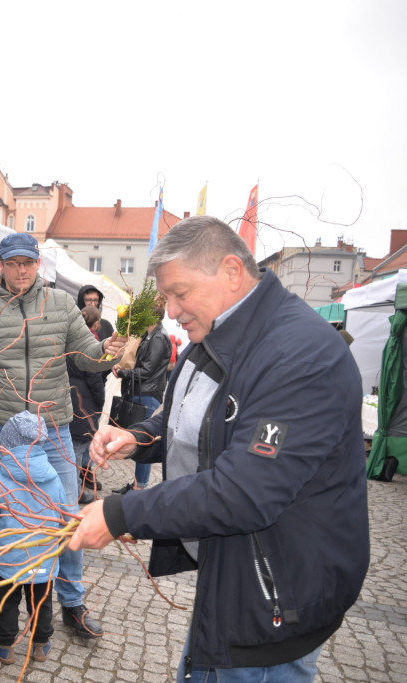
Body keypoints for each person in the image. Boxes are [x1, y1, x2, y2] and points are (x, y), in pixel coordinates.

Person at [67, 216, 369, 681]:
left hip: (273, 598)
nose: (170, 311)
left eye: (179, 293)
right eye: (166, 296)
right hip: (231, 574)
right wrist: (139, 438)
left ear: (231, 271)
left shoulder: (302, 355)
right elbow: (186, 421)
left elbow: (247, 490)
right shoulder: (208, 341)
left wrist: (120, 513)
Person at [0, 232, 125, 638]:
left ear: (38, 265)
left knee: (66, 514)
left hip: (51, 430)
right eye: (13, 263)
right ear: (0, 266)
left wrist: (108, 348)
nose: (21, 270)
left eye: (28, 262)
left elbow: (89, 359)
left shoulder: (61, 305)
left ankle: (71, 603)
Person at [0, 411, 66, 666]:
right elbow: (63, 514)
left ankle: (4, 646)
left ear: (8, 443)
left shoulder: (1, 477)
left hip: (10, 556)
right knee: (41, 600)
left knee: (6, 600)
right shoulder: (53, 476)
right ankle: (41, 644)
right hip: (44, 555)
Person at [110, 294, 171, 495]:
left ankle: (139, 487)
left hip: (147, 393)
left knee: (142, 440)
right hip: (140, 391)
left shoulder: (159, 337)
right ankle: (137, 484)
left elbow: (147, 371)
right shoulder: (149, 336)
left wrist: (123, 373)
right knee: (137, 437)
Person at [68, 305, 107, 501]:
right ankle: (74, 493)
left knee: (73, 447)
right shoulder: (90, 342)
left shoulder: (69, 337)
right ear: (97, 323)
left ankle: (76, 489)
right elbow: (94, 377)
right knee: (77, 449)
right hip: (83, 399)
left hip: (69, 394)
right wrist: (101, 401)